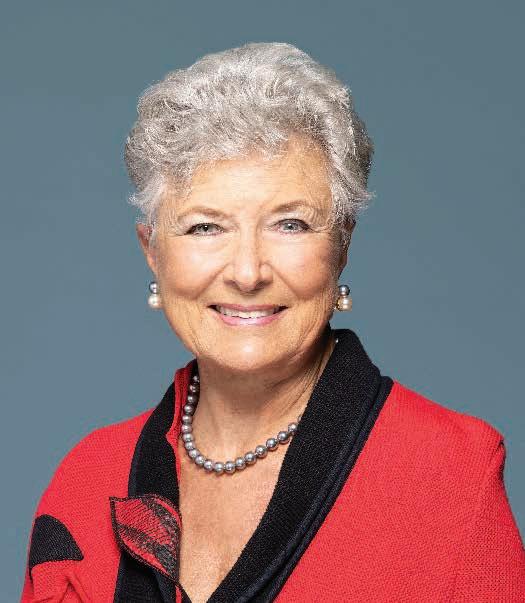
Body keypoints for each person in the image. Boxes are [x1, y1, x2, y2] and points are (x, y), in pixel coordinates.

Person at [20, 42, 525, 603]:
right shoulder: (89, 481)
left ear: (342, 245)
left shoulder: (450, 472)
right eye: (205, 227)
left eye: (290, 225)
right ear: (152, 252)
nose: (247, 272)